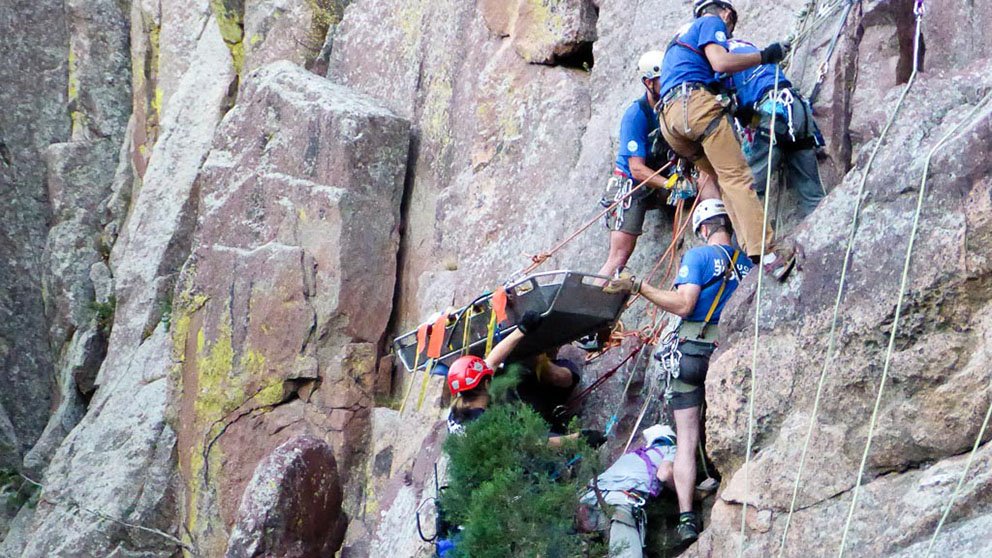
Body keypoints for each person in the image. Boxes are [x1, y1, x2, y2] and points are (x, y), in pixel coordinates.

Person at [606, 199, 753, 544]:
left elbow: (685, 304)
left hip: (690, 354)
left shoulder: (699, 257)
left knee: (686, 439)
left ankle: (688, 518)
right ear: (727, 227)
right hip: (726, 356)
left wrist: (639, 285)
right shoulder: (747, 263)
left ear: (703, 229)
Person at [656, 0, 796, 280]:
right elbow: (721, 61)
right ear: (727, 14)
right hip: (693, 107)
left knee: (723, 180)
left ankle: (751, 250)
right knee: (737, 177)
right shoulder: (710, 22)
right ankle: (769, 254)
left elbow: (721, 89)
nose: (727, 35)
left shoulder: (679, 46)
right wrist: (764, 55)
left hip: (671, 123)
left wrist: (746, 115)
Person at [446, 312, 607, 446]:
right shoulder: (487, 424)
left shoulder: (457, 411)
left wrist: (522, 329)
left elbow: (492, 361)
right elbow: (534, 444)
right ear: (487, 383)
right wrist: (579, 440)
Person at [727, 38, 826, 216]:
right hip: (796, 109)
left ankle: (741, 243)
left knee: (748, 189)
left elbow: (741, 111)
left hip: (773, 113)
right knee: (812, 196)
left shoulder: (722, 63)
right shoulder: (752, 52)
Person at [577, 424, 677, 557]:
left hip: (588, 498)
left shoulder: (633, 456)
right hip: (619, 501)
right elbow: (665, 475)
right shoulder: (671, 448)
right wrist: (694, 495)